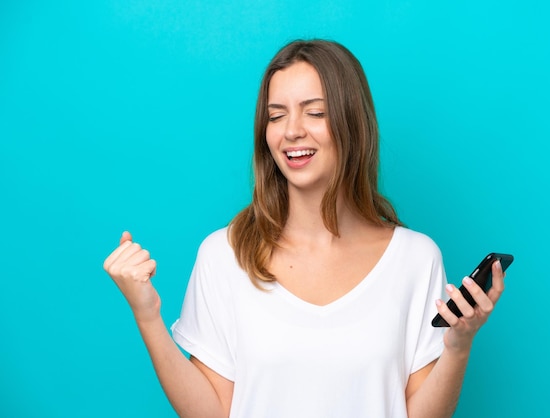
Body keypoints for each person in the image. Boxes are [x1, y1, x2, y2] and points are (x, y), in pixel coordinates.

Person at [103, 39, 506, 418]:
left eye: (315, 112)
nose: (292, 130)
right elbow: (213, 410)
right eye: (276, 115)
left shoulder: (416, 258)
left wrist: (457, 346)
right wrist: (148, 314)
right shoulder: (225, 254)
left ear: (352, 123)